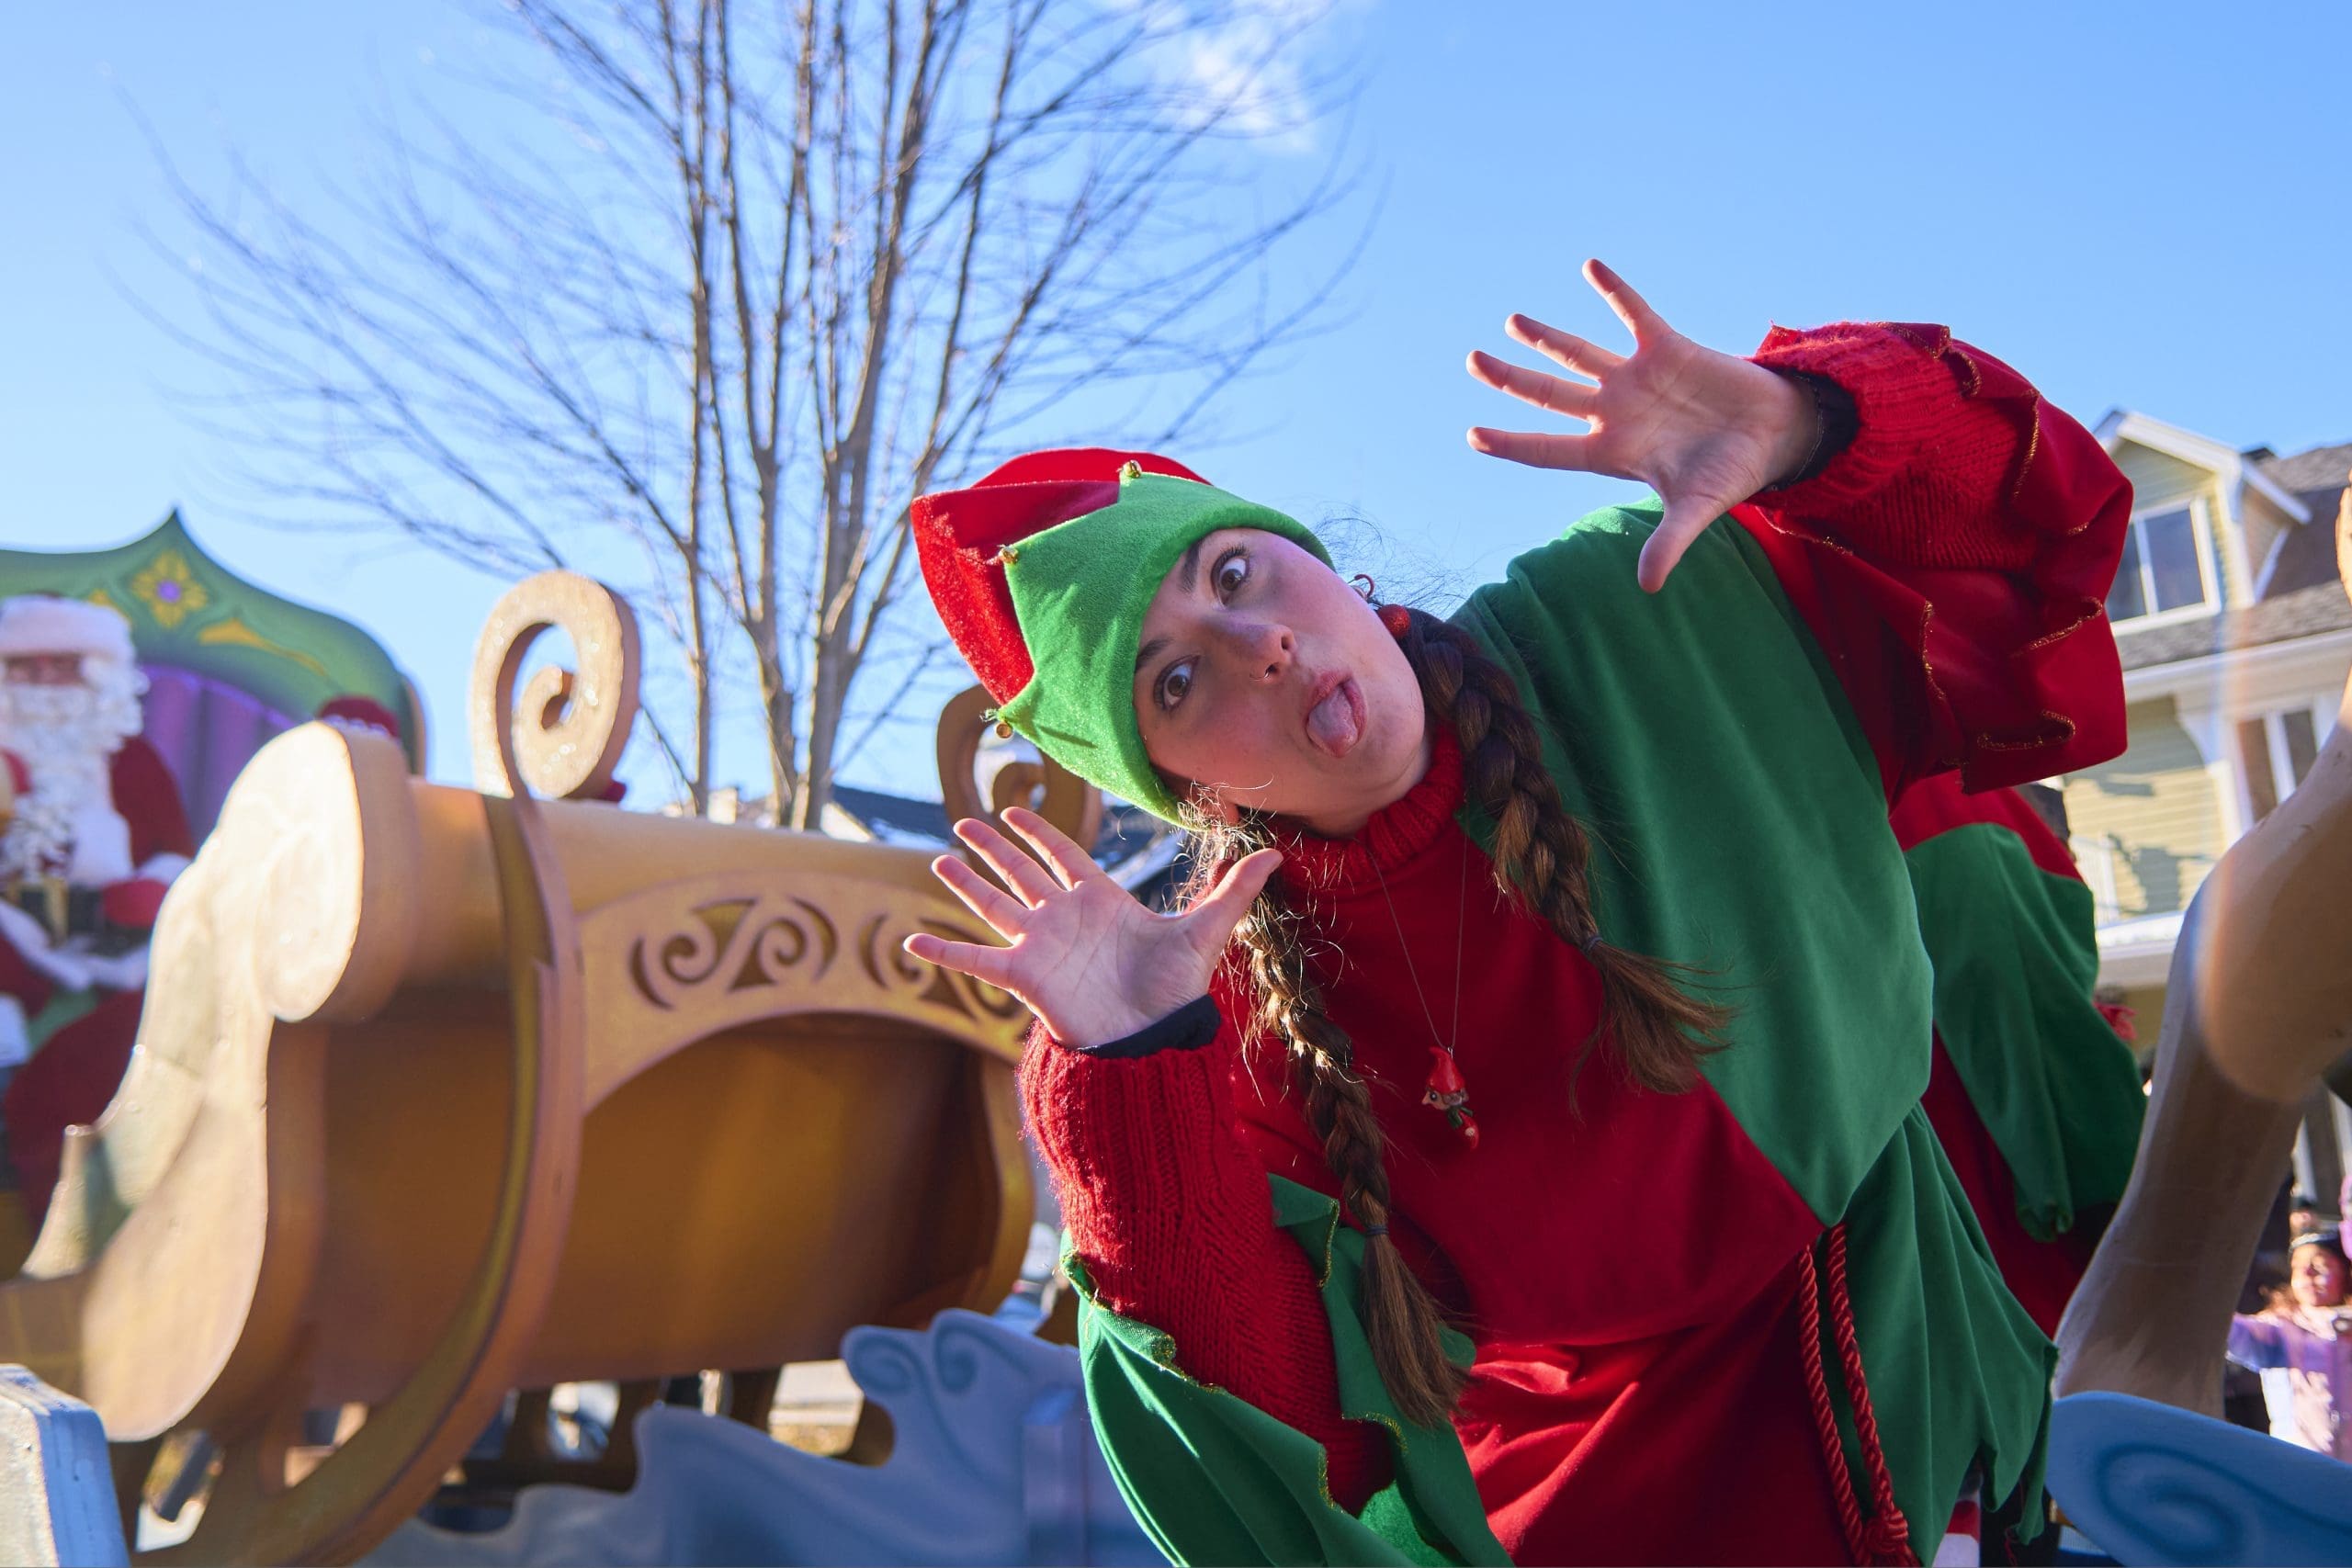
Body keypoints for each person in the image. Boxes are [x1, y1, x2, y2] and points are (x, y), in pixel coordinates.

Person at [907, 263, 2134, 1565]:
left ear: (1318, 559)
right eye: (1176, 678)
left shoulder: (1642, 606)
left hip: (1945, 1426)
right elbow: (1287, 1458)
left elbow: (2023, 549)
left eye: (1234, 569)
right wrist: (1131, 1077)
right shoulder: (1247, 1025)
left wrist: (1811, 425)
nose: (1254, 641)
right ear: (1190, 789)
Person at [0, 595, 193, 1225]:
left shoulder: (130, 760)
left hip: (117, 937)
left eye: (66, 664)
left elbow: (175, 852)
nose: (48, 682)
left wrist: (152, 887)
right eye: (29, 666)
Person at [2227, 1228, 2352, 1461]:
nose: (2307, 1272)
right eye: (2298, 1267)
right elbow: (2233, 1334)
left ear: (2344, 1273)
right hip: (2300, 1460)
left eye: (2320, 1265)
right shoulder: (2281, 1328)